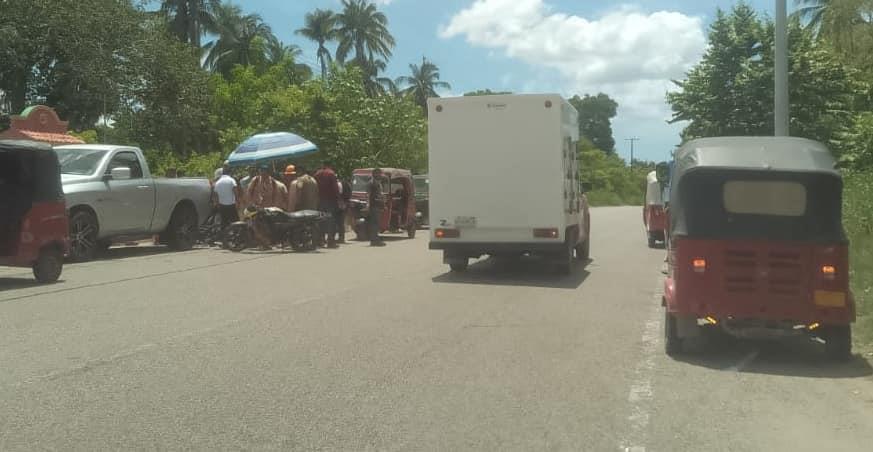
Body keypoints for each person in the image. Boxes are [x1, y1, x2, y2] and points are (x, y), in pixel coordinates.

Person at [314, 161, 340, 248]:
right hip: (330, 201)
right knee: (331, 221)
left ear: (323, 165)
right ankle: (330, 241)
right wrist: (339, 199)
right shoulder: (331, 173)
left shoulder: (317, 174)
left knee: (321, 220)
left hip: (320, 201)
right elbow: (335, 188)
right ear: (330, 165)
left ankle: (320, 241)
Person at [213, 164, 240, 229]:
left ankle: (224, 237)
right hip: (231, 205)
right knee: (236, 223)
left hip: (222, 206)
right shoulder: (231, 180)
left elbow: (215, 196)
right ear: (229, 172)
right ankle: (237, 236)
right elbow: (236, 192)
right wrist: (238, 202)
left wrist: (217, 205)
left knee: (224, 223)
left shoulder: (217, 182)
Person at [367, 168, 386, 247]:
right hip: (374, 205)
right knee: (375, 223)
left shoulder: (377, 182)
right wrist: (368, 205)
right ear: (375, 174)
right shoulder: (372, 183)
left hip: (377, 205)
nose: (380, 175)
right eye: (379, 174)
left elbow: (379, 194)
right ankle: (374, 240)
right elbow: (369, 194)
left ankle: (375, 239)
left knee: (376, 223)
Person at [337, 178, 352, 243]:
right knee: (341, 222)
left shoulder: (339, 184)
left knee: (339, 222)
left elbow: (339, 194)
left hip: (341, 204)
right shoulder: (348, 184)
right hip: (345, 204)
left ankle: (341, 238)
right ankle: (341, 237)